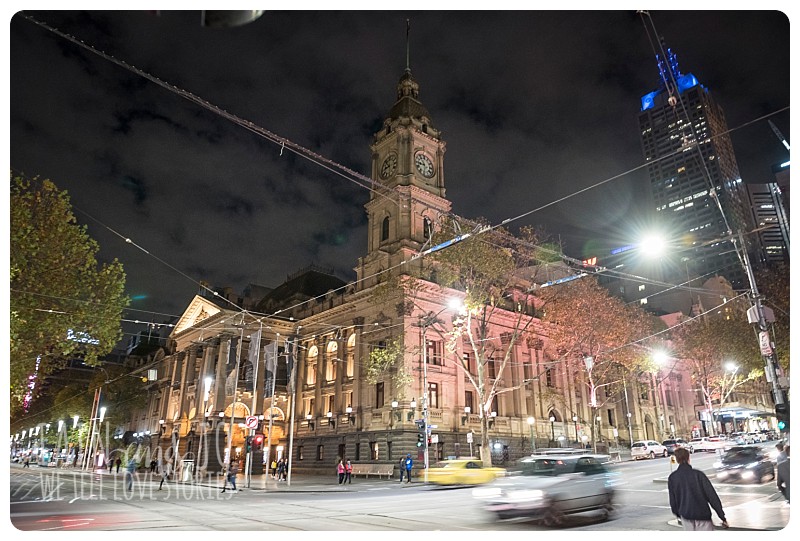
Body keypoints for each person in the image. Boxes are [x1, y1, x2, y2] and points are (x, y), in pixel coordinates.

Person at [668, 447, 728, 530]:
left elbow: (673, 500)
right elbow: (712, 496)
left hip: (686, 516)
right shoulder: (698, 475)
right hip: (702, 515)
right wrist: (722, 517)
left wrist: (678, 514)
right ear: (688, 458)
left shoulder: (673, 477)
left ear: (677, 460)